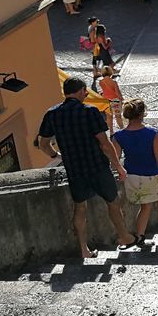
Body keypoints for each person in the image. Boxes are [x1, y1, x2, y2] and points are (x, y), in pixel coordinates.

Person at [37, 77, 137, 259]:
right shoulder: (90, 111)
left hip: (74, 170)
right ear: (81, 90)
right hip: (97, 166)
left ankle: (84, 250)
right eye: (84, 92)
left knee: (80, 208)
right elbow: (105, 144)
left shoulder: (52, 114)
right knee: (113, 203)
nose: (85, 95)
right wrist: (118, 167)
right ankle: (124, 237)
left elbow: (43, 143)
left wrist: (56, 156)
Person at [112, 98, 158, 243]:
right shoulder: (152, 133)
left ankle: (141, 235)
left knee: (146, 206)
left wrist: (120, 172)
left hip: (132, 177)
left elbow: (115, 160)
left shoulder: (119, 136)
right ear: (142, 114)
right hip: (152, 175)